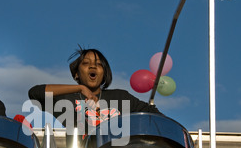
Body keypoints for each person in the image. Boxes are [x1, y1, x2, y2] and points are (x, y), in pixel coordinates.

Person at [28, 46, 163, 135]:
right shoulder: (66, 99)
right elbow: (35, 93)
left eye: (98, 64)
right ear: (76, 74)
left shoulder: (121, 97)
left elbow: (156, 117)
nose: (93, 66)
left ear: (104, 73)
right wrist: (80, 88)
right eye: (86, 63)